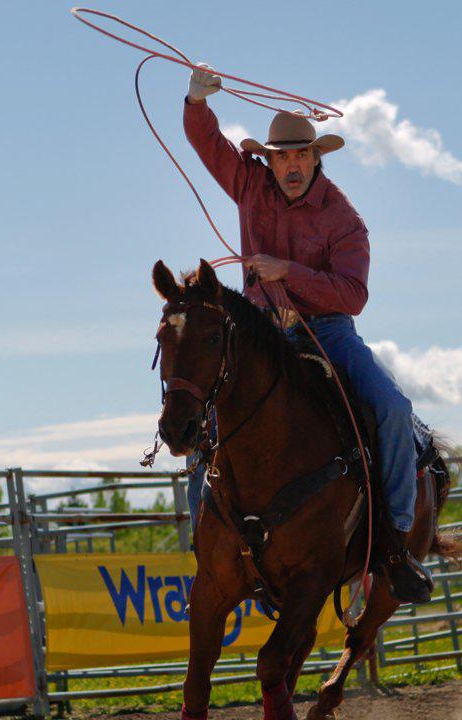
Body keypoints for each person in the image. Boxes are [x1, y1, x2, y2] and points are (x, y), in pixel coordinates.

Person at [182, 64, 431, 603]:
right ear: (267, 160)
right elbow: (208, 147)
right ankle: (208, 528)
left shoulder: (344, 219)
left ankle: (394, 542)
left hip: (328, 333)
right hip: (261, 331)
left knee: (392, 407)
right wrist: (198, 103)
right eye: (282, 157)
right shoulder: (249, 182)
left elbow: (353, 296)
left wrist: (286, 272)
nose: (291, 165)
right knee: (197, 408)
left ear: (317, 157)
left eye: (300, 155)